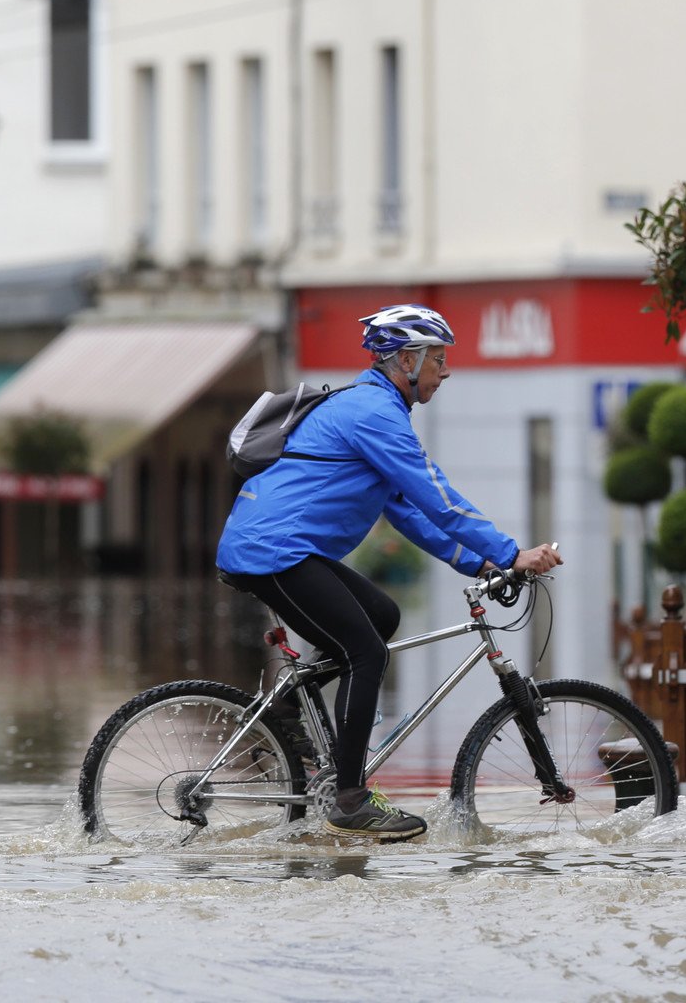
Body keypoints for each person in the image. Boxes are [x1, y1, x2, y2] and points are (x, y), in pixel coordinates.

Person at [216, 304, 562, 841]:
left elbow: (408, 511)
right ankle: (350, 800)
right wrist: (513, 551)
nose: (445, 372)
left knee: (381, 615)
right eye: (439, 360)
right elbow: (438, 496)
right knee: (366, 652)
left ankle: (284, 711)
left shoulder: (376, 409)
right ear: (407, 360)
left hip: (285, 548)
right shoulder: (373, 413)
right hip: (272, 550)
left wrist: (483, 562)